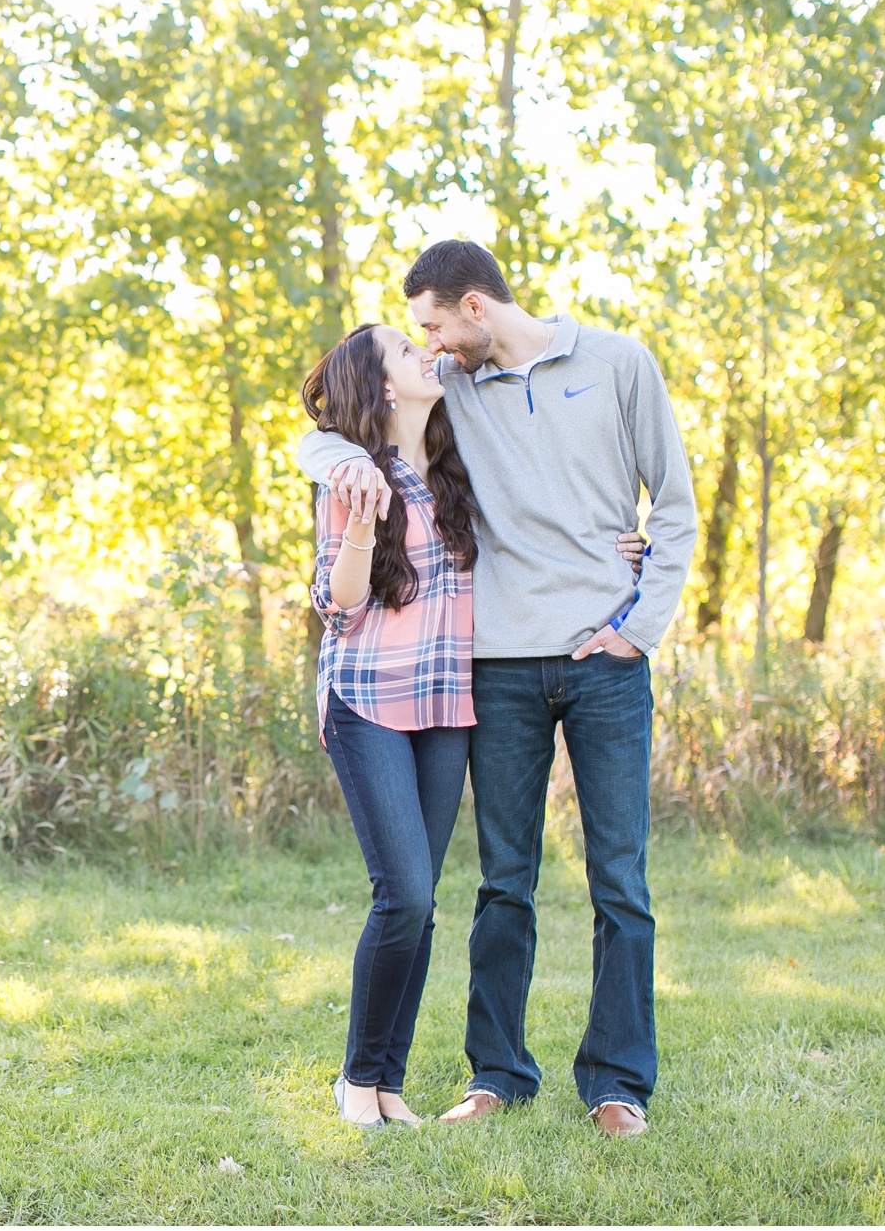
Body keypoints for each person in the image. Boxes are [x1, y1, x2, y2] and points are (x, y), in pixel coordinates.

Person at [297, 240, 696, 1139]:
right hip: (497, 669)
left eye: (432, 325)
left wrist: (639, 624)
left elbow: (672, 505)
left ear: (473, 308)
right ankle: (498, 1073)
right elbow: (332, 422)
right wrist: (333, 462)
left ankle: (617, 1083)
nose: (427, 345)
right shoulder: (455, 391)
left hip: (607, 658)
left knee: (620, 880)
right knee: (503, 883)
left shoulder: (618, 363)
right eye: (418, 340)